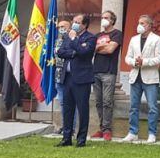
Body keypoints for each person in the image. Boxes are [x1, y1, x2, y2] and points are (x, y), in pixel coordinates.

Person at [123, 14, 160, 143]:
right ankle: (132, 132)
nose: (140, 25)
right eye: (139, 22)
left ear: (149, 25)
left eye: (143, 23)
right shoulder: (134, 39)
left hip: (150, 78)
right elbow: (127, 57)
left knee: (152, 107)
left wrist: (144, 62)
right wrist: (134, 62)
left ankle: (152, 133)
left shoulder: (157, 39)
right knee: (133, 106)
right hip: (135, 76)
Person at [56, 14, 96, 148]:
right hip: (67, 78)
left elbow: (84, 52)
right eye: (74, 21)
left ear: (84, 25)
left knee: (82, 109)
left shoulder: (90, 37)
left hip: (82, 79)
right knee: (67, 109)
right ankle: (66, 137)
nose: (74, 24)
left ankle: (81, 139)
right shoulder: (67, 36)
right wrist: (73, 52)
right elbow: (61, 51)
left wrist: (74, 40)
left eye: (78, 22)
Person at [90, 11, 123, 141]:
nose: (103, 19)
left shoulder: (117, 34)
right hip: (96, 71)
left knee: (107, 101)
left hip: (109, 72)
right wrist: (100, 46)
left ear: (112, 20)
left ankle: (107, 129)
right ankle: (102, 128)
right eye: (102, 17)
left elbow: (110, 50)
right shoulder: (97, 35)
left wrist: (99, 47)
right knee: (98, 102)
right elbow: (92, 49)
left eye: (106, 18)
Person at [52, 16, 71, 135]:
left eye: (63, 27)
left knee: (69, 102)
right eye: (59, 27)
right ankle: (65, 126)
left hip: (68, 75)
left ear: (69, 28)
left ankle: (70, 127)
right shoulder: (56, 41)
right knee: (62, 102)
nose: (60, 29)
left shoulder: (72, 40)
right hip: (58, 74)